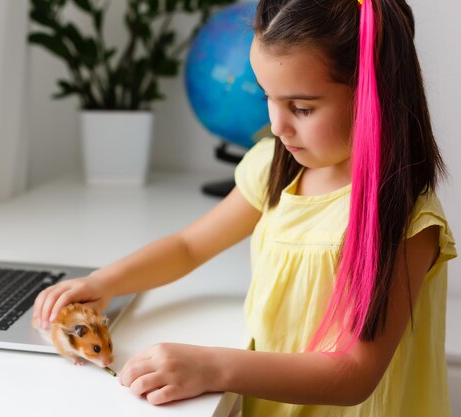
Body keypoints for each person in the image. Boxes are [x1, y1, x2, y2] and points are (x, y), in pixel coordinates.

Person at [32, 0, 457, 415]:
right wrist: (107, 282)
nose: (276, 124)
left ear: (373, 94)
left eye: (302, 108)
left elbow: (353, 373)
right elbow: (188, 246)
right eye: (267, 98)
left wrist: (212, 366)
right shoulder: (276, 165)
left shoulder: (405, 217)